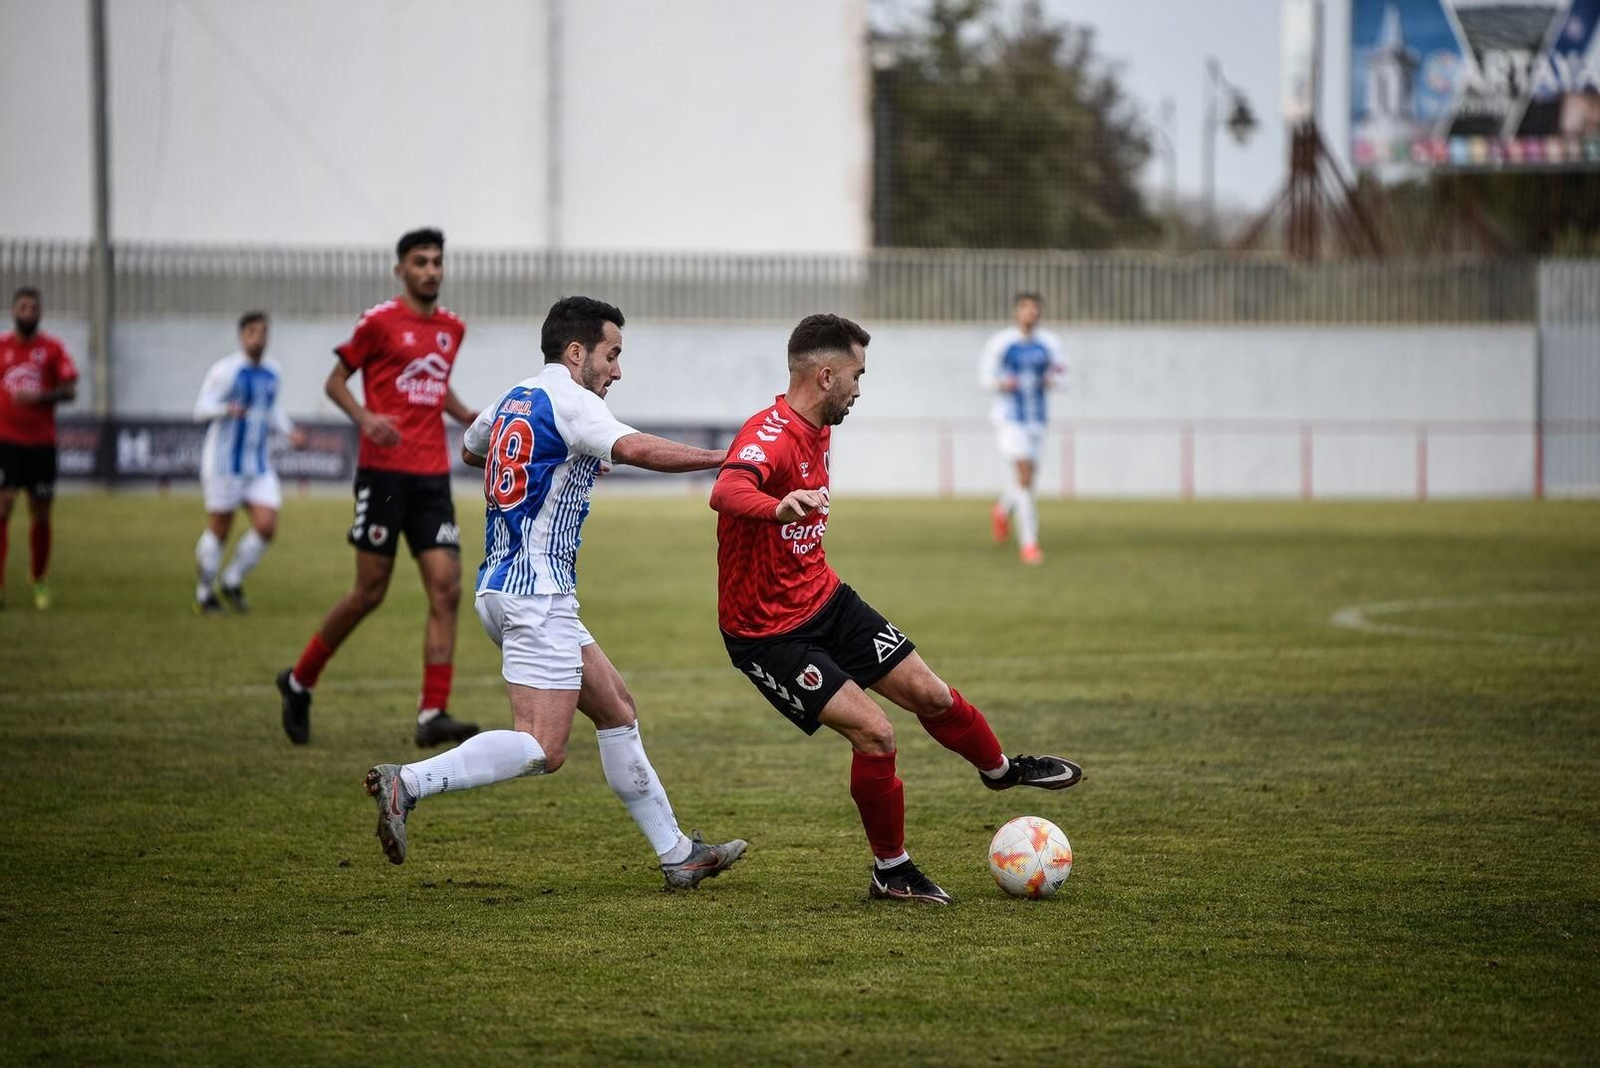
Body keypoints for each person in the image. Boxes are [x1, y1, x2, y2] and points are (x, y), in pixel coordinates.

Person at [364, 296, 747, 890]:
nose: (617, 370)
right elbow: (636, 448)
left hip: (506, 587)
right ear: (576, 353)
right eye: (611, 355)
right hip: (535, 596)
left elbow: (471, 448)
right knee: (543, 746)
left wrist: (559, 458)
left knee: (616, 708)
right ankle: (408, 782)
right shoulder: (574, 401)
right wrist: (726, 457)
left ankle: (678, 854)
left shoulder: (515, 396)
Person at [709, 313, 1082, 906]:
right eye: (857, 375)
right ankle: (892, 870)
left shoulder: (818, 426)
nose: (860, 388)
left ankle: (1001, 770)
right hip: (768, 634)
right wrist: (778, 507)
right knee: (876, 733)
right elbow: (726, 490)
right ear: (825, 376)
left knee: (932, 695)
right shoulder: (771, 434)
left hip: (826, 599)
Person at [276, 228, 480, 747]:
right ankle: (299, 681)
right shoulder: (378, 323)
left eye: (436, 261)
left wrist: (466, 415)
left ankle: (433, 712)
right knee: (370, 591)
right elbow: (334, 382)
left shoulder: (452, 328)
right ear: (401, 270)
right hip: (384, 475)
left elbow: (433, 382)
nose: (431, 270)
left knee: (448, 588)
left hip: (431, 475)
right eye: (420, 261)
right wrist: (365, 418)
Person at [191, 311, 307, 613]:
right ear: (242, 336)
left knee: (267, 525)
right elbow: (200, 409)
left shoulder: (273, 372)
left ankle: (232, 580)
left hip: (257, 464)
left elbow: (271, 409)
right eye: (253, 332)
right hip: (223, 464)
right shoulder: (226, 371)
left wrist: (289, 431)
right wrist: (226, 410)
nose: (259, 338)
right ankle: (204, 592)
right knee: (220, 529)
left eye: (264, 332)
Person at [0, 286, 78, 610]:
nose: (28, 313)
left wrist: (40, 397)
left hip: (41, 444)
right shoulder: (2, 348)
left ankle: (38, 578)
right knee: (3, 506)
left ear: (40, 313)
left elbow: (70, 390)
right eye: (23, 307)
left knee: (41, 511)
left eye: (33, 308)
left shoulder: (52, 349)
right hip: (6, 441)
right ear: (13, 311)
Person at [979, 292, 1066, 566]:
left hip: (1037, 419)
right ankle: (1029, 544)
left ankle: (1002, 510)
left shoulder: (1049, 343)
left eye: (1034, 309)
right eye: (1025, 308)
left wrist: (1052, 380)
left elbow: (1063, 373)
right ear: (1017, 312)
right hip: (1010, 419)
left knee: (1026, 479)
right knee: (1025, 477)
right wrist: (1002, 383)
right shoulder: (1002, 343)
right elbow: (986, 377)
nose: (1030, 313)